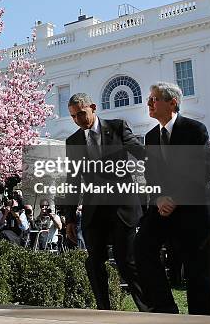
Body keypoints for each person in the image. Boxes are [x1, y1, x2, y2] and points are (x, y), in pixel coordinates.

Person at [135, 82, 210, 315]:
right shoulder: (150, 137)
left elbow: (203, 171)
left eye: (154, 99)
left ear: (173, 102)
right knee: (141, 247)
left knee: (197, 270)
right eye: (149, 99)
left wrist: (176, 198)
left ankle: (201, 318)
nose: (149, 103)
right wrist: (160, 198)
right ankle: (164, 308)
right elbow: (151, 174)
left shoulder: (194, 129)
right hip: (163, 209)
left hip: (193, 208)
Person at [63, 92, 148, 311]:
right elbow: (73, 179)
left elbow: (142, 154)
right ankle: (104, 310)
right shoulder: (73, 141)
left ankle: (148, 310)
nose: (78, 120)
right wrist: (70, 218)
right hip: (94, 210)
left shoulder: (118, 127)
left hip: (122, 206)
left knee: (126, 261)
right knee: (94, 262)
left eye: (81, 114)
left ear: (92, 107)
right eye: (73, 117)